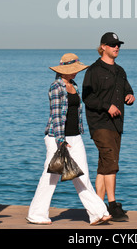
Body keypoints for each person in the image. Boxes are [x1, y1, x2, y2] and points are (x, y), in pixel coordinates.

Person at [26, 53, 111, 226]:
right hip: (57, 138)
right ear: (63, 70)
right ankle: (36, 214)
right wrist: (60, 140)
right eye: (72, 70)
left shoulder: (74, 85)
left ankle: (97, 213)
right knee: (50, 177)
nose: (75, 73)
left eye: (76, 70)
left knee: (82, 175)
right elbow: (56, 116)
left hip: (75, 137)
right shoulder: (56, 87)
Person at [82, 32, 135, 222]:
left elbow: (127, 89)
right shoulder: (93, 71)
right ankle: (112, 205)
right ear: (103, 47)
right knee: (111, 163)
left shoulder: (120, 71)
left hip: (117, 124)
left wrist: (130, 96)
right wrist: (107, 106)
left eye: (118, 44)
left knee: (105, 164)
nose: (116, 47)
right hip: (99, 123)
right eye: (112, 45)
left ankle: (98, 208)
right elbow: (87, 98)